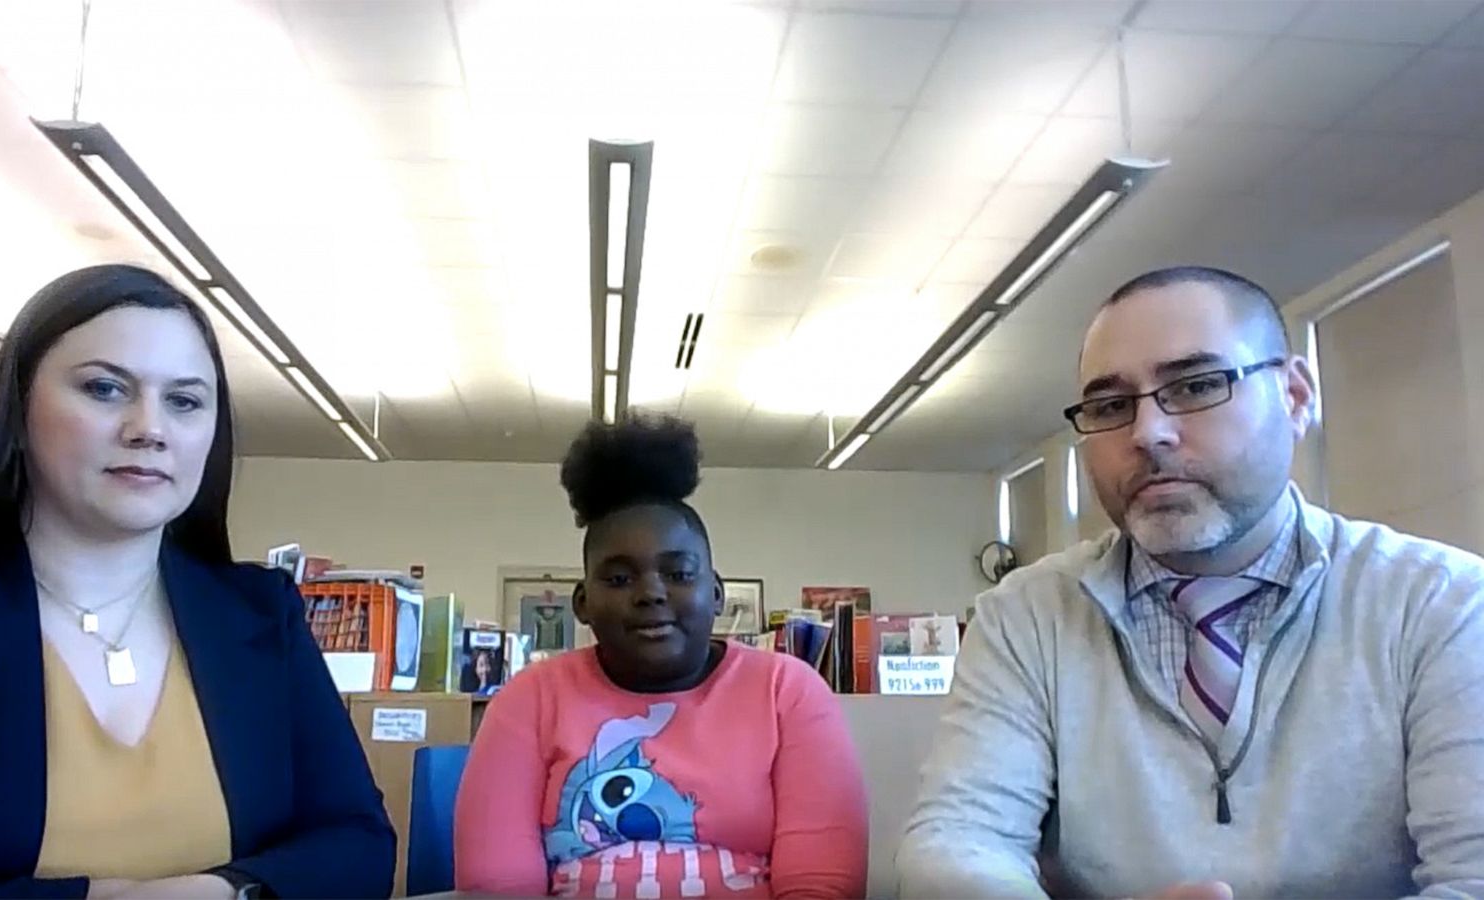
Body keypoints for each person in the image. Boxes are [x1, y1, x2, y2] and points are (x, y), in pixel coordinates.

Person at [897, 265, 1484, 898]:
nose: (1147, 433)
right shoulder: (1028, 616)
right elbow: (958, 843)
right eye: (1111, 406)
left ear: (1295, 396)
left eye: (1198, 385)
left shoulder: (1443, 603)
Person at [0, 265, 395, 898]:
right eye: (104, 389)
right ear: (19, 405)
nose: (149, 428)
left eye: (183, 401)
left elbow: (359, 844)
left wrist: (221, 893)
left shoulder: (259, 613)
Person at [454, 415, 868, 898]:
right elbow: (496, 887)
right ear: (582, 603)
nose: (650, 593)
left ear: (716, 594)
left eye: (678, 573)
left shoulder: (788, 692)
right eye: (618, 578)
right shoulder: (529, 699)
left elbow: (820, 886)